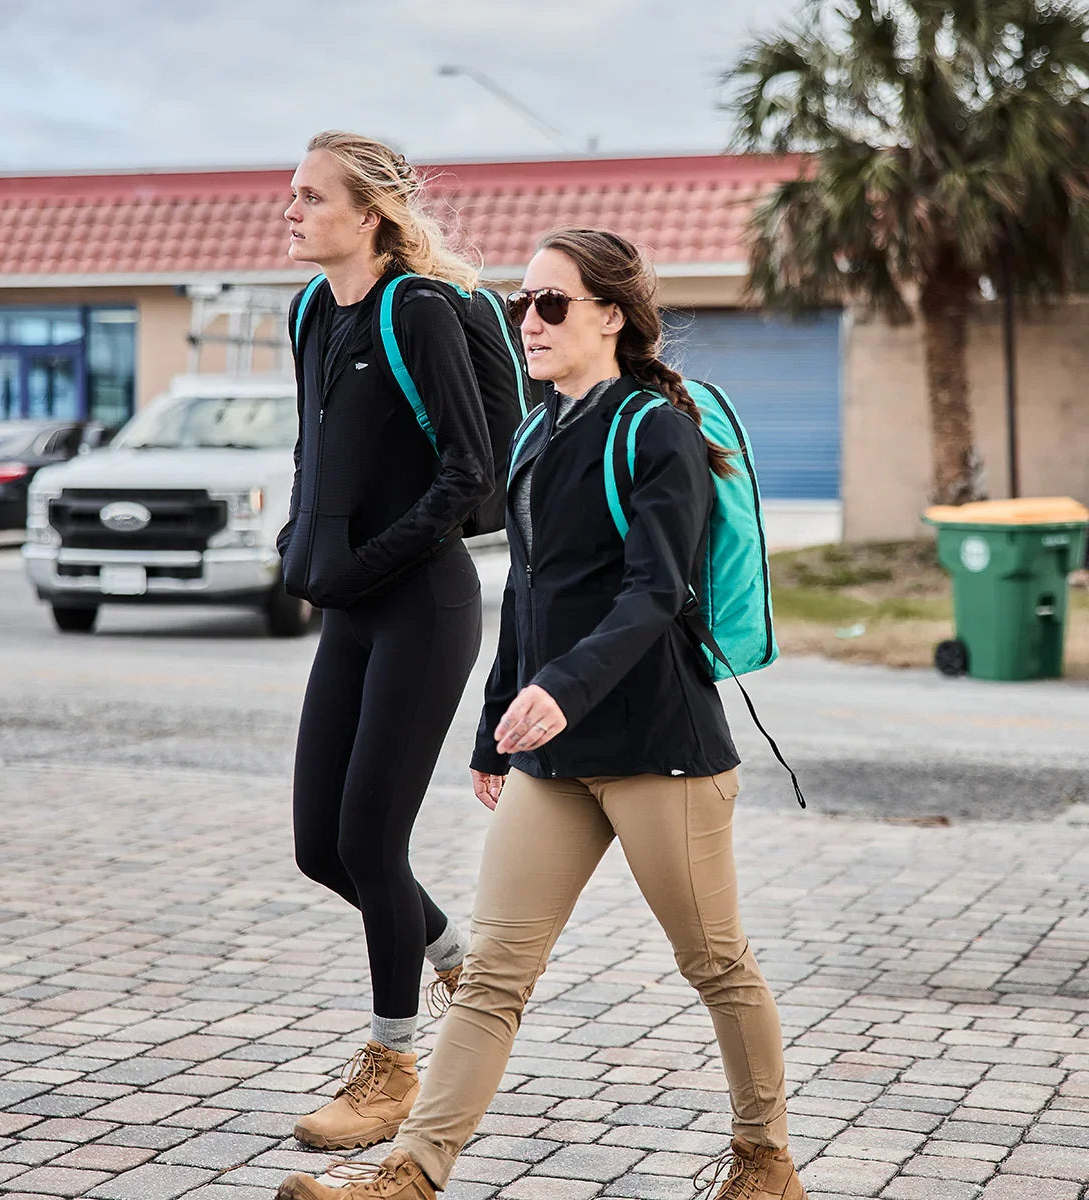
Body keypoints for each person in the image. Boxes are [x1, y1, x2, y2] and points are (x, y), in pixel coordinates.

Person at [277, 228, 809, 1200]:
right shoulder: (535, 431)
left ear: (612, 314)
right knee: (491, 979)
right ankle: (412, 1173)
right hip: (554, 767)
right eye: (524, 302)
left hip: (661, 754)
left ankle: (764, 1159)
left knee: (716, 963)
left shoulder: (656, 429)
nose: (530, 320)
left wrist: (558, 691)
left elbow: (654, 595)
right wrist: (493, 726)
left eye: (553, 302)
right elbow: (525, 593)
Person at [276, 131, 494, 1152]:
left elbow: (466, 473)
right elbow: (312, 448)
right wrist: (297, 543)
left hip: (425, 606)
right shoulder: (313, 310)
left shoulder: (416, 310)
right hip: (352, 607)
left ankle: (392, 1065)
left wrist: (363, 566)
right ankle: (463, 959)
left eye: (313, 196)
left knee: (372, 838)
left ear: (369, 214)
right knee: (321, 846)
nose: (294, 209)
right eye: (293, 193)